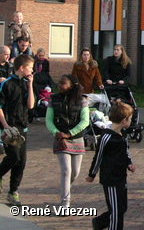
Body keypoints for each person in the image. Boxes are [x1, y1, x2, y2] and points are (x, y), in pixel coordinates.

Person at [86, 101, 135, 230]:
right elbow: (98, 156)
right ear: (124, 120)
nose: (131, 121)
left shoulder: (122, 134)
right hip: (111, 178)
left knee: (122, 207)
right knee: (116, 211)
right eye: (130, 119)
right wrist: (92, 174)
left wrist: (129, 163)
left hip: (121, 176)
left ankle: (99, 223)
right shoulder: (106, 137)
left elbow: (125, 151)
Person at [45, 74, 89, 208]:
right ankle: (65, 203)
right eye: (58, 83)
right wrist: (57, 133)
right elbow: (48, 120)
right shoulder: (54, 99)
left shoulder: (82, 100)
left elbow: (85, 121)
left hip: (76, 138)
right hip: (60, 138)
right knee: (66, 170)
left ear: (71, 85)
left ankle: (65, 187)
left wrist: (69, 134)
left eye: (63, 83)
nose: (59, 85)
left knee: (75, 173)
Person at [0, 54, 35, 206]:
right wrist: (5, 126)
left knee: (21, 162)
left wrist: (30, 86)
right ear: (22, 68)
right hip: (10, 127)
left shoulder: (26, 83)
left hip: (23, 126)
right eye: (30, 68)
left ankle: (13, 191)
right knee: (13, 157)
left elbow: (31, 105)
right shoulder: (7, 84)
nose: (32, 71)